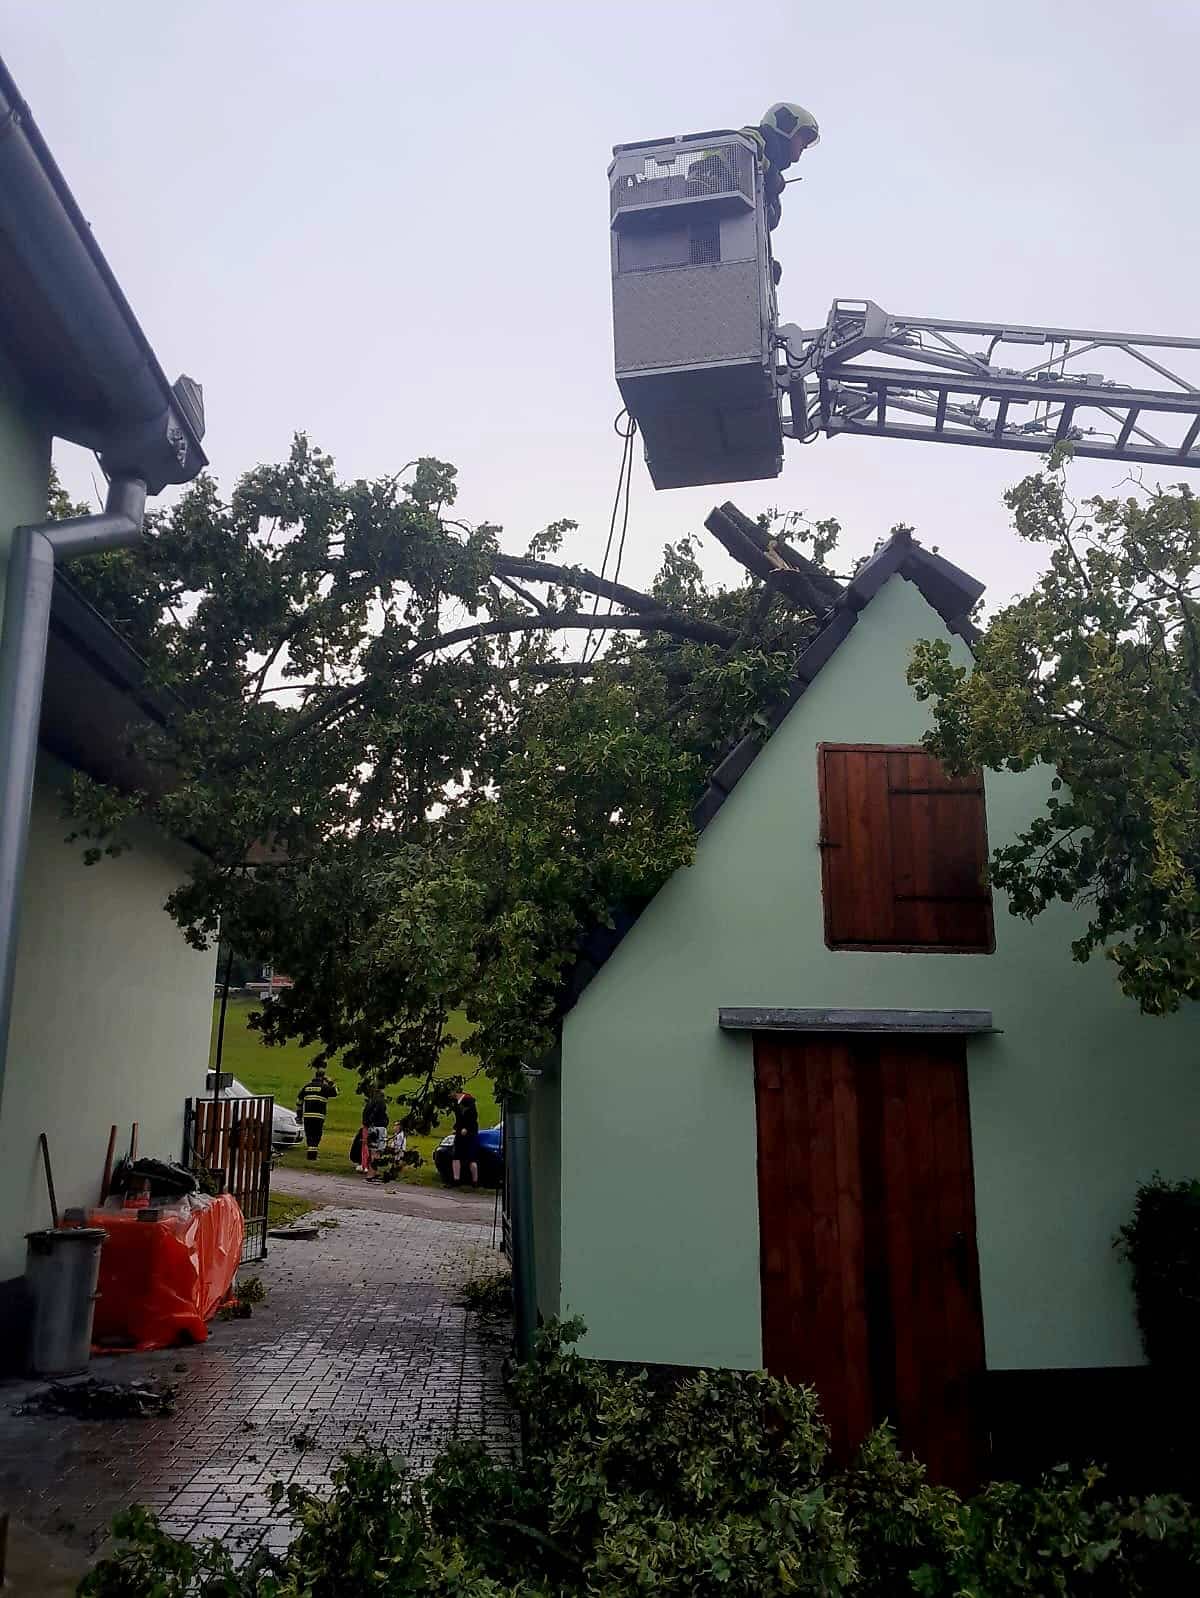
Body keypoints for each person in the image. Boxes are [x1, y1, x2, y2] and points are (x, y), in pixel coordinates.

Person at [296, 1067, 338, 1162]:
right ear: (323, 1078)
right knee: (316, 1135)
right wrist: (330, 1082)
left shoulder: (307, 1087)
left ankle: (310, 1155)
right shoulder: (324, 1088)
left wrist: (299, 1116)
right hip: (319, 1116)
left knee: (309, 1135)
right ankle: (312, 1156)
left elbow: (299, 1102)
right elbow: (336, 1092)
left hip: (307, 1116)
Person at [450, 1089, 480, 1188]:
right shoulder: (456, 1103)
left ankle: (475, 1181)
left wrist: (466, 1128)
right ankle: (456, 1180)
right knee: (456, 1156)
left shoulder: (469, 1101)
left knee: (471, 1157)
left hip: (470, 1132)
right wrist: (457, 1128)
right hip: (460, 1132)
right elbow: (459, 1118)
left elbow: (473, 1117)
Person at [360, 1089, 389, 1176]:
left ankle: (370, 1170)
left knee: (373, 1150)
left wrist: (368, 1123)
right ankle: (373, 1172)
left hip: (373, 1127)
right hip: (380, 1127)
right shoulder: (382, 1104)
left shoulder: (371, 1103)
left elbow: (367, 1115)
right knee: (377, 1151)